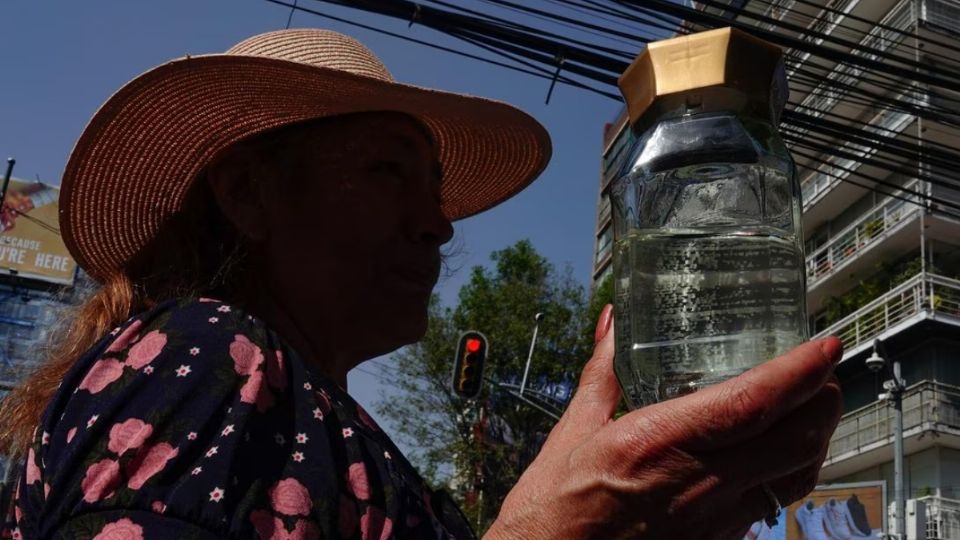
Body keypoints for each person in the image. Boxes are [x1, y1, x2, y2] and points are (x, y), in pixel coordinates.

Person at [0, 29, 843, 539]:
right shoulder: (206, 361)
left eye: (434, 188)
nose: (436, 223)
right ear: (249, 193)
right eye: (387, 172)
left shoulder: (303, 414)